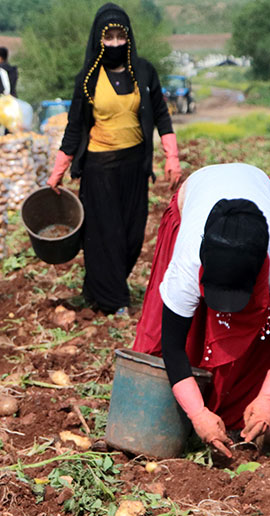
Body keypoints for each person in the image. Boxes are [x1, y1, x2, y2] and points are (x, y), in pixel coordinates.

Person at [131, 163, 270, 458]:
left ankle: (252, 424)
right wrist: (198, 413)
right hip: (196, 193)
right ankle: (190, 419)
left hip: (257, 189)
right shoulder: (187, 263)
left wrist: (267, 398)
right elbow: (172, 346)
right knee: (172, 334)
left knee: (265, 335)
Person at [46, 3, 181, 316]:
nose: (116, 44)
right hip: (100, 168)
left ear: (129, 37)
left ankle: (98, 288)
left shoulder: (144, 71)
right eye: (110, 38)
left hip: (135, 167)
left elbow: (161, 113)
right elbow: (75, 127)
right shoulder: (89, 78)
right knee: (106, 235)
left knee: (133, 235)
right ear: (99, 40)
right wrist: (58, 172)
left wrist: (171, 157)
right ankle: (114, 301)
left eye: (121, 36)